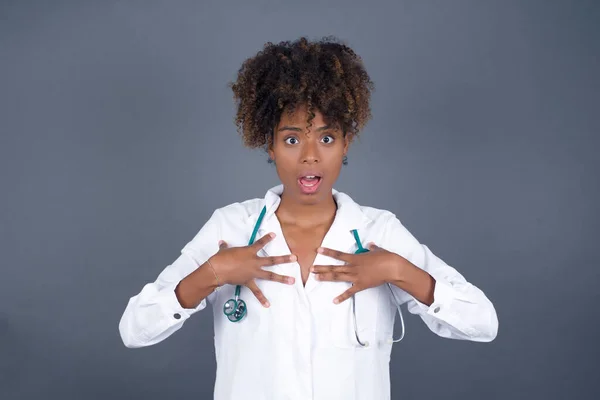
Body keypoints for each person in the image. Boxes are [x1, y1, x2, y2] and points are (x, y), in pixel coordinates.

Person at [118, 36, 498, 400]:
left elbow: (482, 323)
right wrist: (211, 273)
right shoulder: (229, 228)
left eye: (327, 138)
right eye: (292, 138)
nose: (310, 155)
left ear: (347, 142)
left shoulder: (378, 232)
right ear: (269, 144)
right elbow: (135, 329)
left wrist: (398, 270)